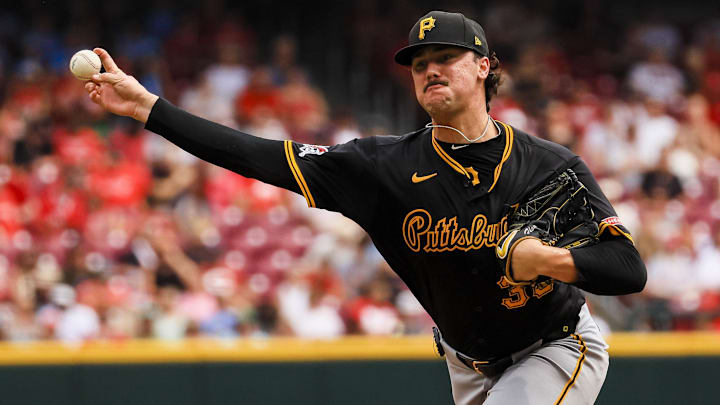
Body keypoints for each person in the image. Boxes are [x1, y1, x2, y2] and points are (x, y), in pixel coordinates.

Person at [83, 10, 646, 405]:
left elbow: (628, 268)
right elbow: (258, 156)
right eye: (419, 63)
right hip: (465, 364)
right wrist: (151, 109)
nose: (430, 70)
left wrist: (548, 261)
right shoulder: (382, 169)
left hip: (554, 344)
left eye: (446, 57)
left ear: (483, 67)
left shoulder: (549, 164)